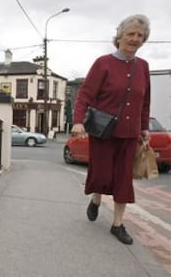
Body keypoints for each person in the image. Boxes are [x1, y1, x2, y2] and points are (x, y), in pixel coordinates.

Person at [71, 14, 151, 245]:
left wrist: (144, 128)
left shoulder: (143, 67)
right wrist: (78, 121)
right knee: (103, 175)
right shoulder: (103, 63)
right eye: (130, 34)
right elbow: (84, 94)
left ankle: (118, 224)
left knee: (123, 180)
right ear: (120, 36)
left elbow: (145, 101)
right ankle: (96, 198)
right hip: (103, 132)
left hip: (130, 133)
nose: (135, 39)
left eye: (139, 35)